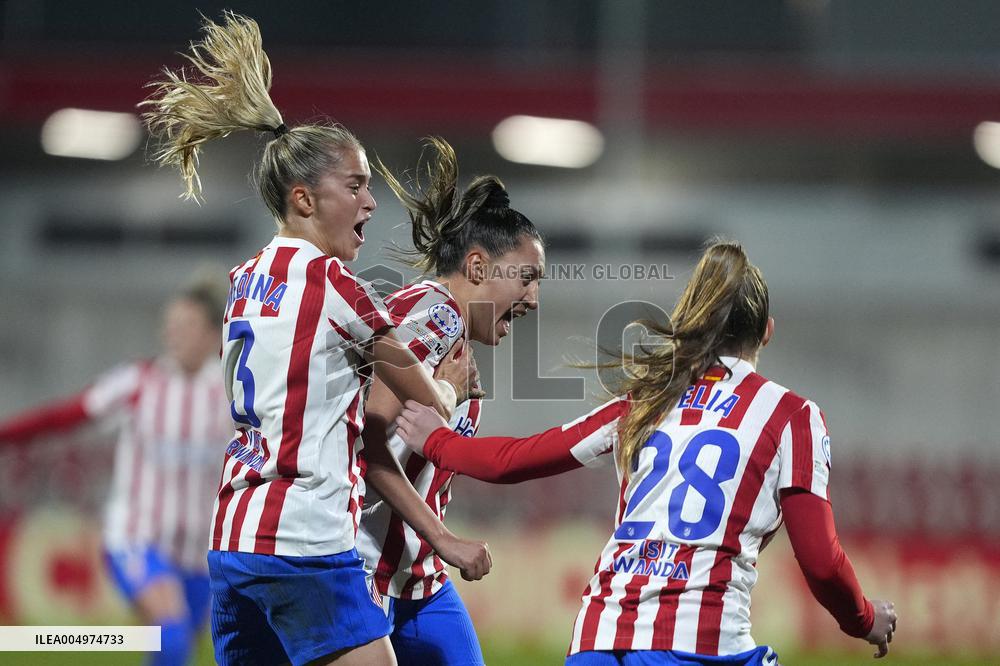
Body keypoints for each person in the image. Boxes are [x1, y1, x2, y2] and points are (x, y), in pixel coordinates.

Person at [141, 13, 490, 666]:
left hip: (233, 540)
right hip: (304, 541)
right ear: (303, 199)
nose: (371, 203)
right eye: (355, 186)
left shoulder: (243, 281)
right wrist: (449, 388)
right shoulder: (333, 282)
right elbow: (419, 390)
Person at [394, 241, 898, 664]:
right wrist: (865, 619)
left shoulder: (645, 401)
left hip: (597, 641)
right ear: (766, 330)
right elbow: (822, 561)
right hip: (701, 647)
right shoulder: (792, 416)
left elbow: (514, 461)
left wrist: (437, 439)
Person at [356, 137, 544, 665]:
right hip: (364, 567)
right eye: (527, 278)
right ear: (479, 267)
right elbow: (366, 440)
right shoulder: (434, 314)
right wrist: (446, 539)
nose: (534, 299)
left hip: (417, 581)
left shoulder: (450, 333)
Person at [0, 282, 231, 666]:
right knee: (170, 637)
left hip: (196, 553)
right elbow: (64, 416)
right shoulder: (139, 382)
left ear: (211, 335)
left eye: (187, 325)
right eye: (171, 324)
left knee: (175, 650)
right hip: (135, 537)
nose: (174, 334)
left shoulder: (231, 395)